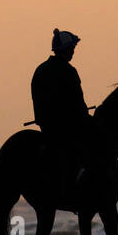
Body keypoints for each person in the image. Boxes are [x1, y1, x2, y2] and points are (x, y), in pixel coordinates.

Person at [30, 28, 93, 195]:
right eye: (72, 49)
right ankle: (80, 185)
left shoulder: (40, 69)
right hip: (66, 128)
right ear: (67, 50)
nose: (73, 52)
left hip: (46, 126)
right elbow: (79, 105)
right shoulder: (69, 71)